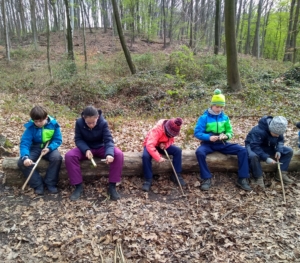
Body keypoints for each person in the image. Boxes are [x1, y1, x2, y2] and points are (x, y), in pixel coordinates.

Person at [194, 89, 251, 191]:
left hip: (222, 143)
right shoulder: (204, 118)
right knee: (199, 152)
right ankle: (206, 178)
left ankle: (242, 178)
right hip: (208, 144)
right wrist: (208, 137)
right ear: (212, 105)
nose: (219, 109)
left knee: (242, 150)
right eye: (217, 106)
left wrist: (226, 136)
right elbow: (197, 133)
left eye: (221, 107)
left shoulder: (225, 117)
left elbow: (230, 132)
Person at [65, 106, 124, 201]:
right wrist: (86, 149)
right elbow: (78, 139)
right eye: (88, 123)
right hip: (86, 148)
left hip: (101, 147)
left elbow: (108, 140)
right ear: (84, 118)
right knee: (69, 156)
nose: (91, 125)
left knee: (118, 154)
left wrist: (109, 154)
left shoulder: (103, 123)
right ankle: (78, 187)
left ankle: (112, 186)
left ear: (97, 117)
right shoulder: (79, 123)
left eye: (93, 122)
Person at [18, 106, 62, 195]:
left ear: (46, 117)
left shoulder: (53, 124)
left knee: (57, 158)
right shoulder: (30, 127)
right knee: (21, 162)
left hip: (49, 147)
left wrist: (49, 148)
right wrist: (25, 157)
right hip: (35, 147)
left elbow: (58, 140)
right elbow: (25, 143)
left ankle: (50, 183)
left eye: (40, 121)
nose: (38, 123)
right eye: (36, 121)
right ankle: (38, 184)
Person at [245, 116, 294, 188]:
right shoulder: (259, 131)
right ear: (271, 128)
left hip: (268, 146)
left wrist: (278, 150)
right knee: (253, 156)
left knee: (289, 151)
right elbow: (254, 146)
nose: (277, 136)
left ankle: (281, 174)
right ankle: (258, 178)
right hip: (253, 145)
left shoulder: (279, 128)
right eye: (275, 134)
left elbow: (280, 141)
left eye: (279, 134)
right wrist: (266, 157)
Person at [142, 117, 185, 192]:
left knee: (178, 151)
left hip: (161, 146)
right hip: (151, 145)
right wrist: (158, 157)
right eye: (169, 134)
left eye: (172, 135)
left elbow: (171, 140)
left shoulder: (173, 131)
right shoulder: (157, 129)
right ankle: (148, 179)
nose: (170, 136)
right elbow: (150, 145)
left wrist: (165, 144)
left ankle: (176, 175)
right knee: (145, 156)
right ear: (166, 129)